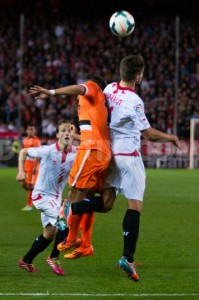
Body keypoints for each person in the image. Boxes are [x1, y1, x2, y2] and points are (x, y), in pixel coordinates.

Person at [67, 54, 181, 281]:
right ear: (139, 76)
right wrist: (170, 137)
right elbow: (147, 133)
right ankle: (127, 258)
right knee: (134, 206)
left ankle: (73, 209)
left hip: (110, 156)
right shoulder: (135, 101)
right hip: (129, 157)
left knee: (107, 204)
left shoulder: (108, 89)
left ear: (121, 72)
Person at [29, 74, 111, 259]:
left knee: (74, 194)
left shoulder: (92, 89)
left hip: (92, 151)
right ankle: (86, 244)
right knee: (88, 198)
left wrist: (50, 92)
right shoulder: (97, 108)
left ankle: (72, 238)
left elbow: (79, 88)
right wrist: (75, 137)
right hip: (102, 150)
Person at [16, 120, 77, 275]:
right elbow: (23, 151)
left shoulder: (77, 152)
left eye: (70, 130)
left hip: (56, 198)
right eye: (63, 130)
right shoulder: (48, 150)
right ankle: (54, 257)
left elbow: (92, 146)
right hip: (41, 196)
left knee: (49, 234)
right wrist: (21, 171)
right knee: (64, 223)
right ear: (57, 135)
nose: (66, 133)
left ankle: (26, 260)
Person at [20, 124, 41, 211]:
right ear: (26, 130)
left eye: (32, 129)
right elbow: (23, 154)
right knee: (27, 184)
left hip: (33, 167)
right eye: (29, 129)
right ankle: (35, 201)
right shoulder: (25, 140)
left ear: (34, 131)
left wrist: (35, 167)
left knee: (30, 185)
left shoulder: (36, 141)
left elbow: (38, 155)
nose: (30, 131)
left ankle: (30, 205)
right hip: (27, 166)